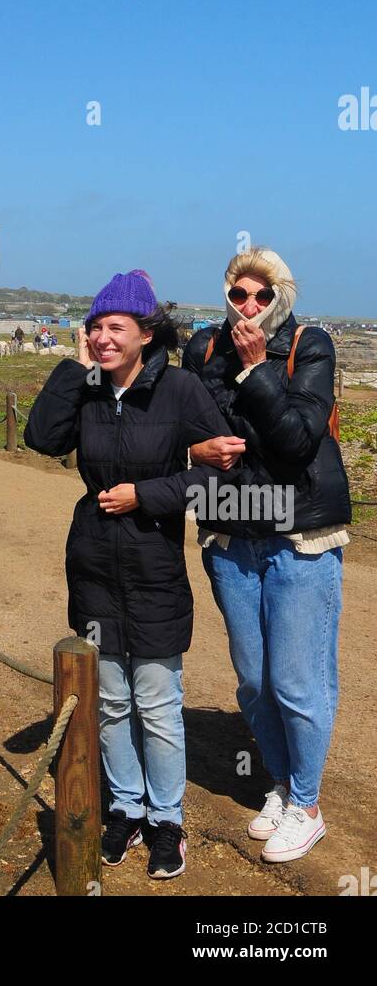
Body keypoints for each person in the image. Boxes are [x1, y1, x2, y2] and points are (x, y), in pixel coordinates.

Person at [24, 269, 239, 879]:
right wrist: (73, 369)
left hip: (152, 565)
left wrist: (148, 495)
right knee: (111, 703)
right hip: (93, 563)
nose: (102, 338)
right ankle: (125, 809)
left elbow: (220, 474)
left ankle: (167, 821)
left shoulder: (180, 390)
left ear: (147, 332)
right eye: (94, 328)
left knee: (158, 702)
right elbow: (40, 437)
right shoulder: (87, 385)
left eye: (115, 328)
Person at [183, 248, 350, 863]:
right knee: (255, 682)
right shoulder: (203, 349)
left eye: (262, 295)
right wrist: (198, 450)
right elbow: (180, 424)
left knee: (298, 681)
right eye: (238, 295)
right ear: (226, 295)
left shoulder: (311, 345)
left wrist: (255, 372)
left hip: (299, 534)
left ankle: (307, 805)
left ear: (281, 296)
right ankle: (280, 783)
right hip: (232, 533)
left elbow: (298, 438)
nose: (249, 307)